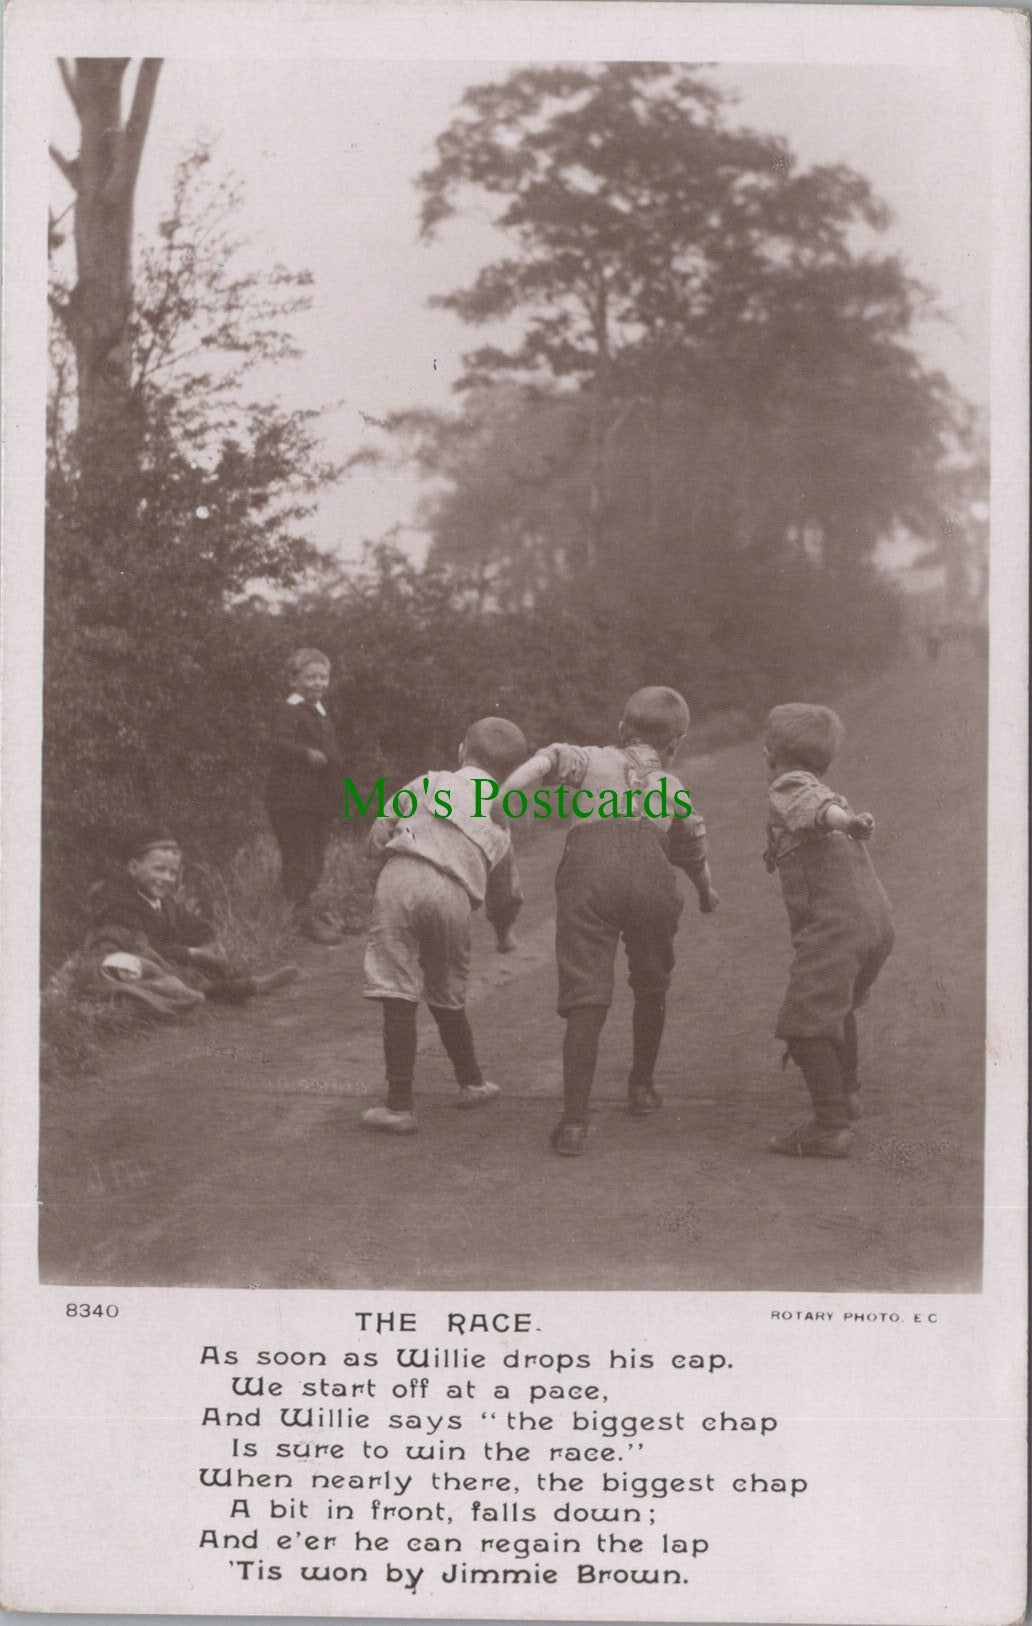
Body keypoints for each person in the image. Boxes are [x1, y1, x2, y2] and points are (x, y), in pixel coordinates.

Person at [492, 686, 718, 1157]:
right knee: (651, 985)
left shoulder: (592, 760)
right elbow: (693, 849)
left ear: (621, 729)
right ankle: (641, 1087)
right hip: (651, 883)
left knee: (586, 998)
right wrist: (705, 892)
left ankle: (574, 1122)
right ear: (675, 745)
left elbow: (548, 760)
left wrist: (508, 793)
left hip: (588, 881)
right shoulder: (670, 788)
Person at [360, 717, 527, 1134]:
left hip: (401, 877)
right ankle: (471, 1082)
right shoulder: (502, 819)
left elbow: (380, 833)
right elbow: (506, 895)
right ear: (509, 773)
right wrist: (504, 933)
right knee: (447, 990)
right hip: (454, 896)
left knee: (397, 988)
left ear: (461, 752)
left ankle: (399, 1105)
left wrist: (380, 866)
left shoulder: (429, 782)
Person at [763, 703, 895, 1158]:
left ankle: (829, 1125)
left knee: (804, 1023)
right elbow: (823, 810)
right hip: (874, 923)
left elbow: (816, 810)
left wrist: (846, 821)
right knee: (835, 1008)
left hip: (837, 926)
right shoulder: (825, 790)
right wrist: (847, 819)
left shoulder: (791, 786)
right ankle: (849, 1093)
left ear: (773, 751)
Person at [88, 830, 298, 1003]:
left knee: (212, 965)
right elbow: (143, 949)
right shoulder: (122, 906)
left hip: (170, 962)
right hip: (138, 965)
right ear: (134, 868)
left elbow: (194, 924)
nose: (166, 878)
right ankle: (242, 987)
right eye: (159, 869)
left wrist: (209, 942)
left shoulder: (165, 903)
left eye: (172, 873)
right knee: (178, 981)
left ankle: (240, 979)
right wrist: (192, 953)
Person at [264, 647, 344, 943]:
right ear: (293, 681)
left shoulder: (320, 713)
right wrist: (306, 753)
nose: (319, 683)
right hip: (291, 800)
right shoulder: (289, 710)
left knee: (316, 860)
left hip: (316, 801)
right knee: (301, 860)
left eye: (323, 677)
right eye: (311, 677)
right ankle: (299, 920)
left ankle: (303, 914)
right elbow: (275, 743)